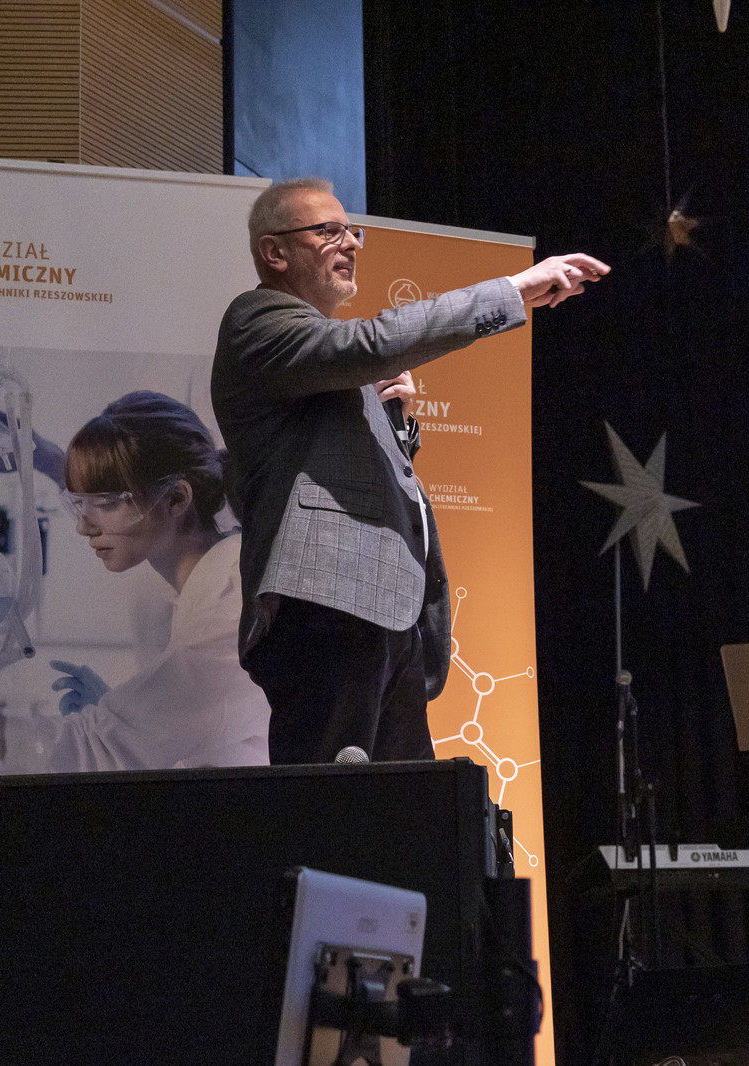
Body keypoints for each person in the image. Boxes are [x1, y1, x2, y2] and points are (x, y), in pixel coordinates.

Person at [211, 176, 608, 764]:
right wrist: (514, 289)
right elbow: (368, 346)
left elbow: (347, 461)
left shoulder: (330, 368)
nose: (351, 243)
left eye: (353, 231)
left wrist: (396, 427)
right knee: (325, 802)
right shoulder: (257, 318)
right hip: (328, 602)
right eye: (328, 231)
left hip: (387, 614)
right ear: (275, 252)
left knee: (406, 807)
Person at [0, 391, 269, 772]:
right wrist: (49, 461)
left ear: (177, 499)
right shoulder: (211, 571)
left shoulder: (230, 608)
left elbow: (93, 750)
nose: (84, 527)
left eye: (107, 503)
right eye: (81, 504)